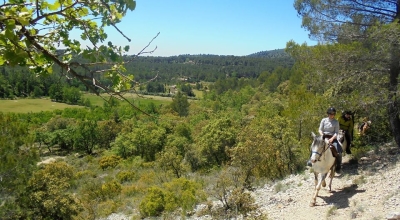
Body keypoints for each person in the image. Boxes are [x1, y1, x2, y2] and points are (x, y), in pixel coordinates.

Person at [307, 107, 342, 173]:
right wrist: (322, 135)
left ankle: (338, 166)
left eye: (333, 114)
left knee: (339, 151)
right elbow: (320, 129)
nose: (332, 115)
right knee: (314, 146)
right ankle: (310, 160)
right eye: (331, 114)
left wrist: (332, 139)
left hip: (332, 137)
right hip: (323, 136)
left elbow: (336, 132)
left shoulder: (336, 122)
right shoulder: (324, 120)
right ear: (328, 114)